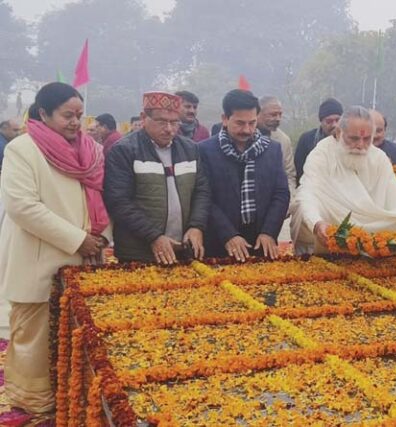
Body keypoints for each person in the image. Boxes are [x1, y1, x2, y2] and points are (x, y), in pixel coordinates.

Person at [0, 82, 110, 415]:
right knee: (34, 337)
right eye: (67, 115)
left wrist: (102, 236)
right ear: (43, 113)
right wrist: (78, 239)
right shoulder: (23, 149)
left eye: (79, 115)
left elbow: (103, 198)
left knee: (77, 336)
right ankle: (34, 401)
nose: (76, 122)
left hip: (84, 256)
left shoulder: (90, 150)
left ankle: (72, 394)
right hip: (40, 256)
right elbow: (23, 207)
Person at [291, 106, 396, 254]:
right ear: (338, 133)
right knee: (302, 209)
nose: (361, 145)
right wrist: (317, 223)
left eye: (367, 138)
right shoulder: (322, 154)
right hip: (331, 228)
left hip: (374, 227)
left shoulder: (378, 158)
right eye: (354, 138)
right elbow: (308, 192)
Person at [104, 91, 210, 264]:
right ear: (144, 117)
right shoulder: (124, 150)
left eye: (174, 122)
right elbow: (118, 201)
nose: (169, 129)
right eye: (161, 122)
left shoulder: (190, 149)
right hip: (138, 252)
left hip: (182, 248)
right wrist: (153, 236)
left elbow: (202, 191)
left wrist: (196, 226)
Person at [199, 90, 290, 261]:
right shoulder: (205, 150)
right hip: (219, 244)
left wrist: (269, 232)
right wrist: (228, 235)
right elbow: (204, 198)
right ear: (225, 119)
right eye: (240, 123)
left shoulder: (272, 150)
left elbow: (281, 194)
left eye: (252, 123)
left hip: (261, 242)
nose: (247, 130)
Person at [294, 98, 343, 182]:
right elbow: (299, 172)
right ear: (321, 121)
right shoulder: (307, 140)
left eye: (337, 120)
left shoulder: (350, 141)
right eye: (329, 121)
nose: (334, 125)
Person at [257, 95, 297, 194]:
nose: (278, 119)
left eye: (280, 115)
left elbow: (289, 175)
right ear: (257, 114)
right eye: (273, 115)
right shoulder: (245, 135)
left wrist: (288, 198)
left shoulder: (284, 140)